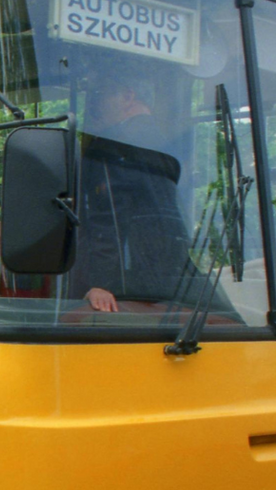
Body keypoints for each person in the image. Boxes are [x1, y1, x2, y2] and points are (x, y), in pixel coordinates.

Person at [67, 72, 190, 312]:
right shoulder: (169, 145)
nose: (93, 107)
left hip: (126, 285)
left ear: (127, 96)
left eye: (99, 96)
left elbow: (109, 215)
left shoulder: (113, 144)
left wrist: (99, 283)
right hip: (171, 280)